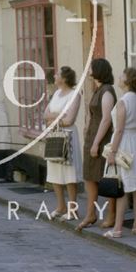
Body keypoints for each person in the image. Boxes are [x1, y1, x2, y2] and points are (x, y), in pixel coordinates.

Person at [76, 58, 117, 231]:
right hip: (91, 138)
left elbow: (107, 119)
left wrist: (96, 144)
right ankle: (91, 213)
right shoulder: (98, 89)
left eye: (91, 67)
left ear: (98, 70)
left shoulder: (107, 91)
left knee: (106, 178)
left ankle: (111, 215)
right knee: (90, 177)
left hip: (101, 140)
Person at [44, 66, 82, 220]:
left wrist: (54, 119)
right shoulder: (56, 94)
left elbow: (69, 120)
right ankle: (60, 206)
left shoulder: (75, 95)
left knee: (69, 173)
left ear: (65, 78)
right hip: (54, 135)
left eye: (58, 74)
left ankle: (73, 209)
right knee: (54, 171)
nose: (54, 75)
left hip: (68, 137)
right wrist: (59, 114)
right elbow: (45, 114)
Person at [104, 68, 136, 238]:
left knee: (122, 187)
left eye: (122, 75)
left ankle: (117, 228)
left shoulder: (123, 101)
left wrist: (112, 152)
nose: (119, 77)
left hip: (124, 145)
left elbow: (119, 130)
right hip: (135, 142)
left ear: (127, 80)